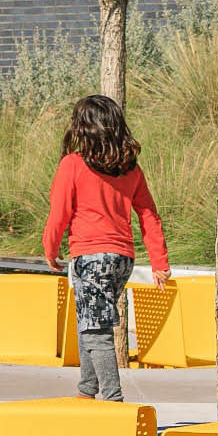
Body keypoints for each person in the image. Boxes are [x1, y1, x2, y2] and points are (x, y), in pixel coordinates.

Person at [42, 96, 169, 403]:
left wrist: (50, 249)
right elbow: (149, 214)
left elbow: (59, 213)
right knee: (89, 320)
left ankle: (113, 400)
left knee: (94, 331)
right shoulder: (130, 170)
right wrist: (159, 262)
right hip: (122, 259)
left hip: (92, 257)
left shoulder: (72, 165)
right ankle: (87, 391)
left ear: (82, 129)